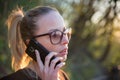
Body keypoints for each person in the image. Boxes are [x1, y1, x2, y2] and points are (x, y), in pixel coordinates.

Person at [0, 6, 71, 80]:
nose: (66, 40)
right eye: (55, 35)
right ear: (31, 43)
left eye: (65, 32)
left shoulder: (62, 76)